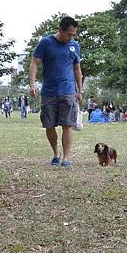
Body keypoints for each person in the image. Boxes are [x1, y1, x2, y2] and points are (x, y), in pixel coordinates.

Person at [28, 16, 83, 167]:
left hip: (68, 90)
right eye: (69, 34)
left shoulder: (74, 46)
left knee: (67, 125)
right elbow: (34, 63)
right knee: (49, 125)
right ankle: (55, 153)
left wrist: (80, 90)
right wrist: (32, 85)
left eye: (74, 34)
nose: (71, 37)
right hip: (49, 91)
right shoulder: (46, 42)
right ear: (60, 30)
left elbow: (77, 69)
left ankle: (66, 158)